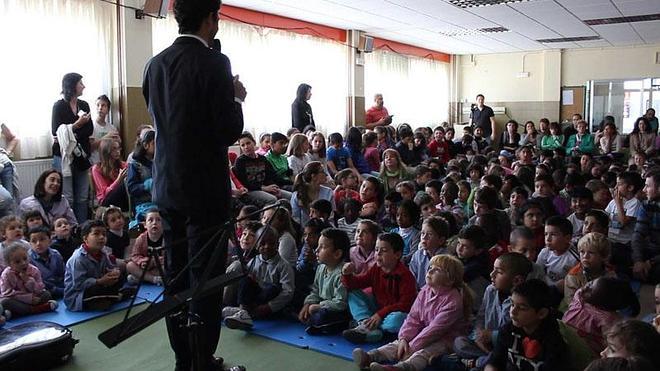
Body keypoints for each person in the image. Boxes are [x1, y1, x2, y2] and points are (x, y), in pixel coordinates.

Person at [142, 1, 247, 369]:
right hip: (204, 191)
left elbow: (158, 116)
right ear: (210, 18)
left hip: (167, 187)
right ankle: (203, 360)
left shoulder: (154, 64)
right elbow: (228, 129)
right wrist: (236, 96)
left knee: (177, 276)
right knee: (206, 280)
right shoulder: (216, 63)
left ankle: (183, 360)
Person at [352, 255, 472, 371]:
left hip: (447, 340)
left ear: (450, 280)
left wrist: (412, 347)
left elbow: (435, 330)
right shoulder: (425, 290)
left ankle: (401, 368)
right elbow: (413, 318)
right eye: (430, 267)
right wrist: (404, 338)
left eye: (437, 270)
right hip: (424, 332)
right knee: (398, 344)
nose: (430, 271)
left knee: (423, 353)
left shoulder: (453, 301)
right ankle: (371, 356)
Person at [453, 253, 532, 369]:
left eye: (499, 272)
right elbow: (481, 316)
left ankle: (479, 362)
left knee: (510, 364)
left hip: (507, 347)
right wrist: (478, 335)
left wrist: (493, 335)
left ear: (516, 280)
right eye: (493, 270)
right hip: (485, 345)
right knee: (459, 342)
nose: (492, 275)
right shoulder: (490, 290)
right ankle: (486, 360)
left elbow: (517, 333)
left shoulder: (522, 302)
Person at [341, 233, 417, 344]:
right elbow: (358, 283)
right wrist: (347, 274)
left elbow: (406, 304)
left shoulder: (405, 275)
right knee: (353, 293)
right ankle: (364, 322)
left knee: (398, 320)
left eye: (384, 250)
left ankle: (372, 330)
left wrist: (380, 315)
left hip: (391, 314)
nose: (378, 254)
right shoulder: (376, 269)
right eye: (376, 250)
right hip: (376, 309)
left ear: (397, 254)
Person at [484, 279, 569, 371]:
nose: (513, 311)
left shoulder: (554, 340)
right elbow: (495, 363)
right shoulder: (507, 330)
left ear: (541, 313)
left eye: (522, 308)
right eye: (512, 304)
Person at [63, 220, 132, 312]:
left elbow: (110, 267)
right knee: (97, 292)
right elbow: (78, 285)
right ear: (85, 238)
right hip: (78, 295)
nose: (101, 237)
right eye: (96, 234)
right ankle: (117, 297)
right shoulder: (78, 258)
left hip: (100, 284)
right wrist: (100, 281)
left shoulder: (103, 253)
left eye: (104, 234)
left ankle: (109, 298)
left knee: (121, 278)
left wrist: (114, 273)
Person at [51, 72, 93, 222]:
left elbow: (89, 130)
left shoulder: (84, 105)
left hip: (81, 156)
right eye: (81, 83)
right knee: (67, 196)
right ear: (72, 85)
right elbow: (56, 131)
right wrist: (77, 125)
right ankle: (68, 228)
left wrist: (69, 131)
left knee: (82, 195)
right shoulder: (58, 106)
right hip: (64, 157)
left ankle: (81, 228)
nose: (84, 86)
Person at [298, 228, 350, 335]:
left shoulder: (342, 273)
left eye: (322, 247)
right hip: (321, 306)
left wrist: (318, 306)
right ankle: (313, 322)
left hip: (336, 311)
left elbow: (341, 303)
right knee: (298, 300)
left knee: (323, 316)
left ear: (337, 254)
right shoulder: (320, 268)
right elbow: (315, 291)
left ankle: (318, 324)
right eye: (318, 246)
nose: (316, 250)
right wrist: (308, 304)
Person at [0, 241, 58, 318]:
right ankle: (38, 309)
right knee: (4, 302)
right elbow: (7, 293)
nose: (23, 263)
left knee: (46, 294)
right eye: (17, 262)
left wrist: (29, 281)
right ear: (9, 264)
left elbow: (40, 288)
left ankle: (18, 313)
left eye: (25, 259)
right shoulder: (6, 274)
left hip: (35, 298)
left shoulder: (34, 270)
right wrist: (28, 298)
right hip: (19, 300)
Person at [631, 169, 660, 283]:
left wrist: (650, 262)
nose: (644, 190)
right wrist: (638, 261)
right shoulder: (646, 205)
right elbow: (638, 234)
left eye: (647, 186)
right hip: (650, 251)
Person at [126, 209, 165, 285]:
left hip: (159, 266)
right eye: (150, 220)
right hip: (145, 266)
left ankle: (140, 278)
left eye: (158, 220)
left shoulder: (166, 238)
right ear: (145, 225)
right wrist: (142, 262)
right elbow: (135, 255)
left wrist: (154, 262)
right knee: (130, 265)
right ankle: (153, 279)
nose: (154, 223)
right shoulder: (141, 238)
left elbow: (169, 257)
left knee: (167, 268)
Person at [26, 226, 65, 299]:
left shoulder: (56, 254)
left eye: (42, 239)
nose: (38, 244)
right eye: (34, 241)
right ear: (30, 244)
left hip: (59, 284)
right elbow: (35, 281)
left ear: (50, 241)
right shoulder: (28, 259)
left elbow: (63, 273)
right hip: (41, 289)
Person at [291, 161, 334, 226]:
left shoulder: (328, 192)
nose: (326, 174)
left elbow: (331, 217)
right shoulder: (297, 195)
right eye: (322, 172)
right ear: (313, 176)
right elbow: (295, 219)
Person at [91, 138, 128, 210]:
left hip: (122, 198)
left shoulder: (123, 165)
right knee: (123, 186)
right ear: (106, 151)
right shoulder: (97, 168)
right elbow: (104, 193)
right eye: (114, 149)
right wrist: (118, 180)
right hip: (106, 201)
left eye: (118, 148)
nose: (117, 152)